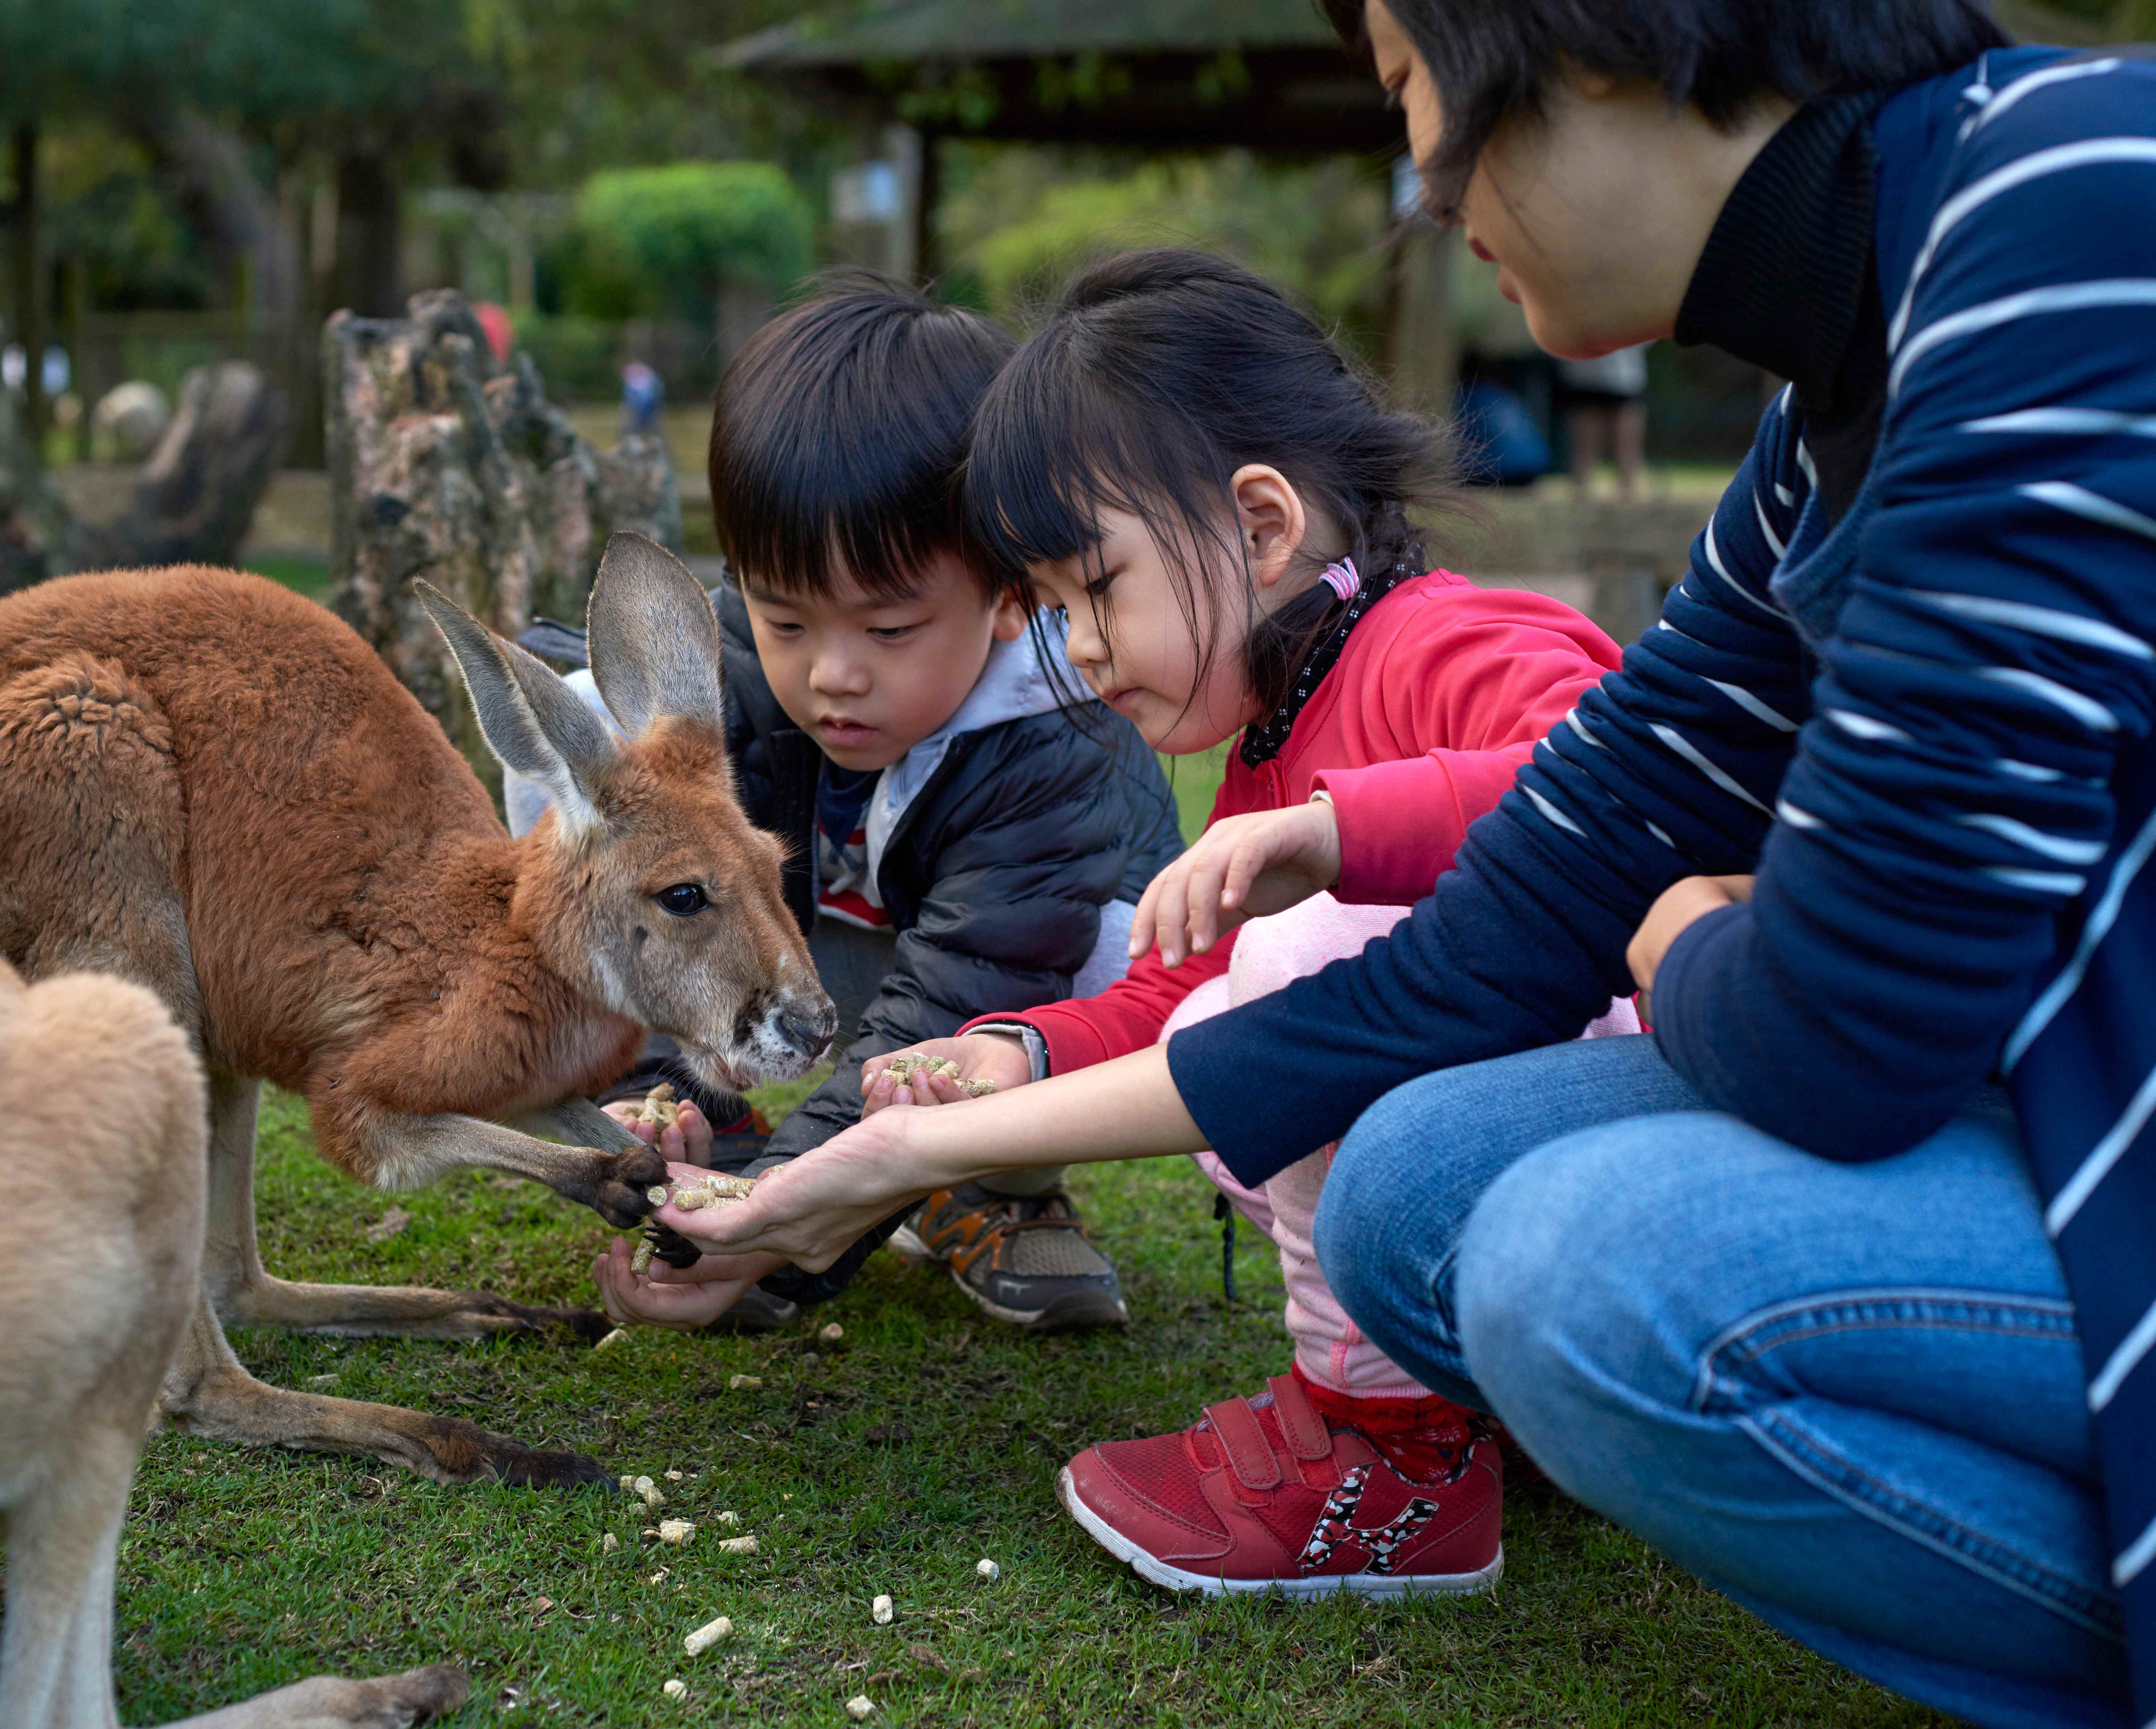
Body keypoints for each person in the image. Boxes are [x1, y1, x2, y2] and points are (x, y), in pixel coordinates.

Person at [656, 7, 2156, 1724]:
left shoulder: (2064, 219)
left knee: (1573, 1276)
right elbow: (1487, 945)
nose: (1425, 182)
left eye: (1405, 87)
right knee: (1410, 1195)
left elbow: (1838, 1036)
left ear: (1581, 44)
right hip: (2039, 1090)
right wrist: (899, 1145)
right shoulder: (1826, 410)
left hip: (2078, 1119)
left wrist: (1674, 934)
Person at [640, 246, 1628, 1594]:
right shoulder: (1273, 737)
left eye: (1096, 590)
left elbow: (1627, 780)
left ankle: (1385, 1451)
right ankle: (1483, 1397)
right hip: (1542, 1183)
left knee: (1293, 959)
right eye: (1052, 605)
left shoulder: (1433, 646)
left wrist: (1345, 828)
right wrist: (1022, 1049)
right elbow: (1193, 1001)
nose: (1081, 648)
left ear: (1265, 526)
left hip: (1641, 1152)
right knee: (1253, 986)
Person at [540, 276, 1184, 1335]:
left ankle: (987, 1180)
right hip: (827, 939)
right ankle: (719, 1126)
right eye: (786, 618)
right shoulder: (720, 680)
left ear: (1010, 596)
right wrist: (666, 1092)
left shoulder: (1052, 735)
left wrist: (791, 1228)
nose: (832, 673)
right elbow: (656, 909)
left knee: (1110, 956)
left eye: (888, 630)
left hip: (1007, 971)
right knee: (608, 800)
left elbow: (966, 991)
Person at [1553, 343, 1649, 499]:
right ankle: (1584, 485)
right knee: (1585, 448)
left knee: (1624, 444)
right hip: (1588, 371)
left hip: (1622, 371)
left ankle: (1627, 486)